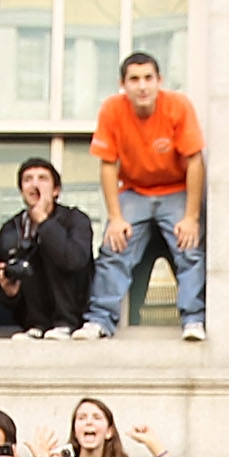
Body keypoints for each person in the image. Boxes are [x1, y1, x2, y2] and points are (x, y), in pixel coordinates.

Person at [84, 52, 208, 342]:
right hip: (135, 190)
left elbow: (195, 161)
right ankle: (100, 320)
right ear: (123, 84)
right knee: (114, 248)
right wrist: (115, 217)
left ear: (159, 81)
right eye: (134, 79)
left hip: (176, 188)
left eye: (148, 78)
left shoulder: (178, 106)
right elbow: (107, 165)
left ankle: (193, 319)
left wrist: (191, 217)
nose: (142, 86)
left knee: (189, 248)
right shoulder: (112, 110)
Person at [0, 156, 97, 338]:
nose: (34, 185)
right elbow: (7, 291)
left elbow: (74, 260)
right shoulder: (11, 229)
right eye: (27, 179)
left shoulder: (76, 219)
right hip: (31, 321)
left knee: (51, 244)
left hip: (74, 313)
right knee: (27, 256)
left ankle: (64, 323)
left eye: (42, 178)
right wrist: (10, 293)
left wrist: (44, 222)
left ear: (56, 190)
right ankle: (37, 325)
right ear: (21, 191)